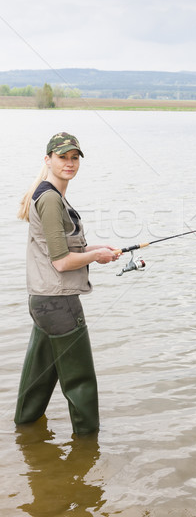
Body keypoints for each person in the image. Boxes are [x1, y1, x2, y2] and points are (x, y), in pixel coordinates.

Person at [14, 132, 120, 436]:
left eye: (74, 157)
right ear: (48, 160)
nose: (69, 163)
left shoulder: (50, 194)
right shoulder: (49, 198)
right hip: (59, 304)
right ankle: (88, 449)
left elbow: (61, 251)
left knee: (38, 378)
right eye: (62, 157)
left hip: (44, 302)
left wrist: (97, 250)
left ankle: (24, 430)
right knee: (81, 382)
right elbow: (60, 262)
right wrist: (95, 256)